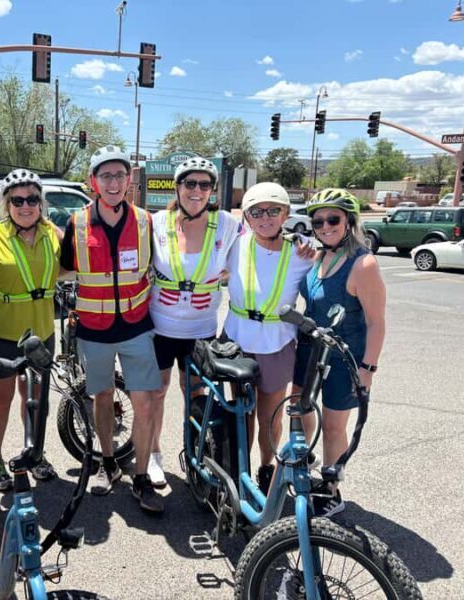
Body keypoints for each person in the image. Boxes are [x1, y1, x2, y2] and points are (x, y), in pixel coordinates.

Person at [60, 145, 164, 514]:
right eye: (106, 175)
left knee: (145, 400)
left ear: (129, 180)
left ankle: (140, 477)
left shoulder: (147, 221)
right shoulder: (76, 223)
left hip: (137, 325)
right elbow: (58, 269)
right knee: (102, 398)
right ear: (93, 183)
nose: (114, 182)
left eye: (120, 175)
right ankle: (107, 464)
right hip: (95, 328)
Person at [148, 156, 241, 488]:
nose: (197, 191)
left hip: (201, 329)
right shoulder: (158, 221)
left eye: (205, 184)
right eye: (190, 183)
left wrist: (303, 249)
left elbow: (255, 251)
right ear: (177, 187)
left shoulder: (228, 224)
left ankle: (195, 454)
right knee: (156, 392)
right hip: (160, 327)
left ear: (213, 190)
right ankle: (154, 457)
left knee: (196, 393)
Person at [292, 188, 386, 517]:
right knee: (298, 411)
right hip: (309, 350)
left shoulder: (364, 264)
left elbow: (376, 323)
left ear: (349, 221)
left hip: (344, 356)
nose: (325, 226)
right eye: (318, 220)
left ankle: (331, 488)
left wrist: (367, 371)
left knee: (333, 426)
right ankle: (309, 464)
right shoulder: (318, 257)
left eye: (333, 219)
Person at [222, 182, 315, 496]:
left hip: (277, 343)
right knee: (241, 414)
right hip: (238, 341)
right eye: (256, 212)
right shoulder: (235, 244)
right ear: (246, 216)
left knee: (269, 416)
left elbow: (336, 266)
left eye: (273, 210)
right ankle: (239, 472)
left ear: (286, 213)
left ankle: (267, 469)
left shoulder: (303, 250)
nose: (265, 218)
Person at [0, 168, 63, 491]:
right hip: (0, 331)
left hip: (41, 331)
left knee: (37, 399)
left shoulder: (53, 234)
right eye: (17, 200)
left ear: (40, 202)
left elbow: (70, 267)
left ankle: (36, 453)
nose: (25, 205)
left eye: (32, 199)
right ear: (7, 203)